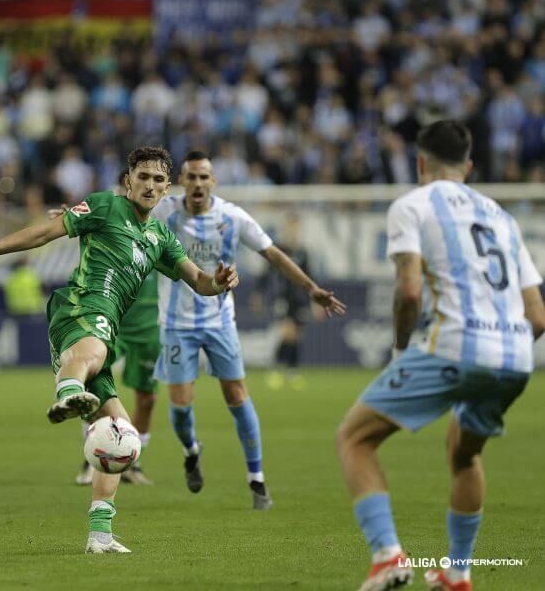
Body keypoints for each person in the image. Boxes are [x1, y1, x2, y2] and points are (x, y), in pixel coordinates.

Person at [0, 146, 240, 554]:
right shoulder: (106, 206)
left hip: (100, 328)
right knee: (96, 353)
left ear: (166, 189)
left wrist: (222, 280)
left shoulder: (160, 237)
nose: (151, 185)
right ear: (129, 181)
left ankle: (100, 535)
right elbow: (45, 232)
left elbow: (199, 281)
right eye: (143, 176)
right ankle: (68, 393)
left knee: (123, 438)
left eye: (159, 180)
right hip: (81, 308)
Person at [336, 120, 545, 591]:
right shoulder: (504, 218)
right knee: (463, 452)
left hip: (452, 344)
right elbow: (538, 315)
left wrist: (400, 351)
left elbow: (409, 291)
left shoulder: (412, 205)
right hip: (515, 357)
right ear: (469, 166)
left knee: (355, 439)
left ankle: (388, 557)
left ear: (420, 163)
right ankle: (456, 573)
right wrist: (500, 354)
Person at [151, 150, 346, 509]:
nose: (197, 183)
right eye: (191, 177)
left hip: (220, 321)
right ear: (182, 181)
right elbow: (123, 213)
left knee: (237, 396)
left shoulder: (232, 216)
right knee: (180, 405)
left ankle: (257, 480)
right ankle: (191, 450)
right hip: (176, 324)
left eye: (203, 177)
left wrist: (311, 288)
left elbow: (273, 254)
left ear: (213, 182)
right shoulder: (163, 212)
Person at [72, 171, 161, 486]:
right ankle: (92, 457)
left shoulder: (157, 231)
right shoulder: (105, 219)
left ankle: (133, 460)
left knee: (147, 399)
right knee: (96, 389)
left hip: (148, 325)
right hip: (114, 321)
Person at [255, 212, 314, 390]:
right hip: (283, 296)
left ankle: (292, 371)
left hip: (300, 299)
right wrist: (259, 292)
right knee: (288, 332)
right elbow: (266, 273)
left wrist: (315, 300)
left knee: (296, 336)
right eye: (290, 227)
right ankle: (276, 368)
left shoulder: (303, 252)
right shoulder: (278, 249)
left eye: (295, 227)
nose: (293, 231)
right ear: (285, 228)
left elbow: (309, 278)